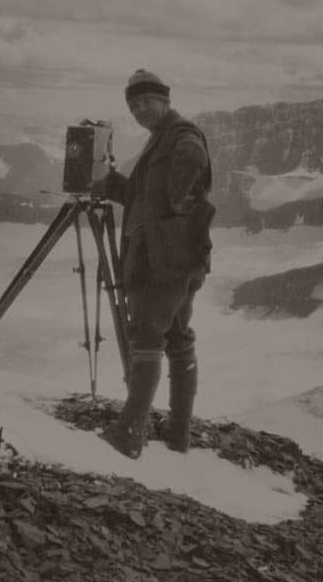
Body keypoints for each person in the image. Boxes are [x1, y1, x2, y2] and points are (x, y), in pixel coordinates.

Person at [96, 69, 214, 459]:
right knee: (178, 338)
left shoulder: (180, 133)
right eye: (134, 105)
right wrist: (105, 180)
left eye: (147, 101)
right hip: (178, 262)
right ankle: (178, 435)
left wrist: (181, 196)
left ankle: (129, 434)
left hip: (161, 262)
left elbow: (192, 154)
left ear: (165, 100)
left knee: (146, 335)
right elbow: (140, 195)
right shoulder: (160, 139)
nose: (140, 110)